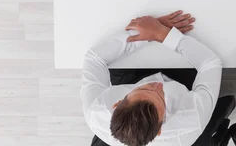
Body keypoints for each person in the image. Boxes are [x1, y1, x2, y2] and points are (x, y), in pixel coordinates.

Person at [81, 10, 225, 146]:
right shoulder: (191, 118)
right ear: (160, 128)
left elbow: (94, 59)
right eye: (161, 97)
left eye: (144, 89)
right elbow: (210, 63)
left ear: (116, 103)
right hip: (181, 81)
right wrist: (164, 34)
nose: (157, 85)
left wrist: (146, 33)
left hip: (130, 78)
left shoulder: (97, 110)